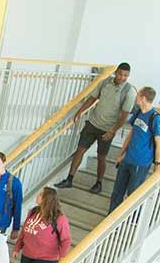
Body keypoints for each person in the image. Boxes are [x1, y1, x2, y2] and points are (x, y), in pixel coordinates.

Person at [56, 63, 136, 194]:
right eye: (120, 74)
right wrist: (80, 111)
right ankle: (69, 179)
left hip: (107, 128)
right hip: (93, 123)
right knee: (80, 149)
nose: (122, 77)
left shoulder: (129, 92)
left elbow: (124, 115)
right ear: (116, 72)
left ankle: (98, 183)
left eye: (126, 75)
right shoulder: (105, 83)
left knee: (101, 157)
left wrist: (112, 131)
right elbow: (92, 98)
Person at [109, 86, 160, 214]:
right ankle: (110, 217)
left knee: (133, 194)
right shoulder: (138, 113)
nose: (136, 98)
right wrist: (121, 154)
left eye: (138, 96)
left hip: (141, 162)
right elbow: (131, 133)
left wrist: (157, 164)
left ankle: (132, 219)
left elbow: (159, 142)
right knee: (117, 192)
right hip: (128, 159)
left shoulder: (155, 118)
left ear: (143, 98)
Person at [13, 187, 72, 263]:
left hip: (46, 258)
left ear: (47, 199)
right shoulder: (33, 211)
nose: (37, 196)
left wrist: (62, 257)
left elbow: (66, 240)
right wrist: (17, 247)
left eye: (40, 195)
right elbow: (24, 231)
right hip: (27, 254)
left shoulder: (59, 218)